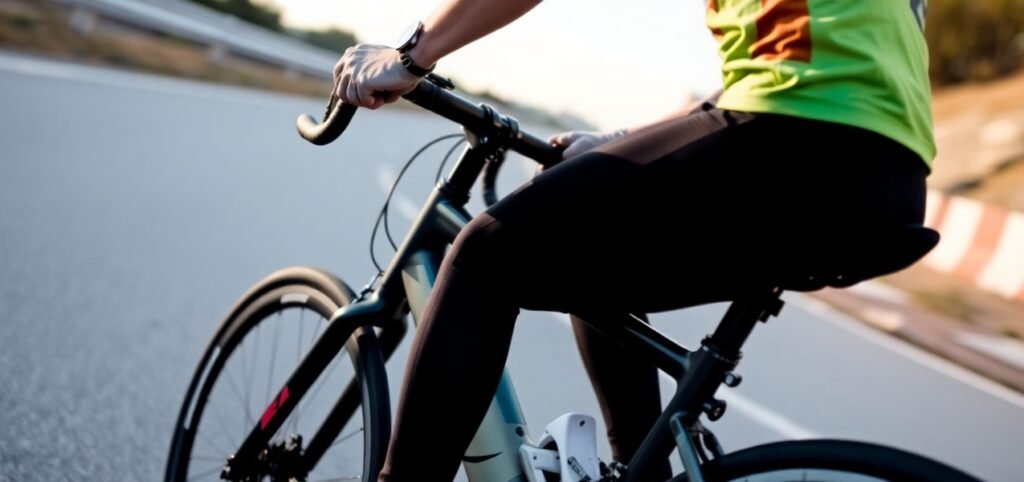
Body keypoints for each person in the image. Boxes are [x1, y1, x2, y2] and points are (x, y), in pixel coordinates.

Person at [331, 0, 935, 480]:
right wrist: (626, 143)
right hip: (890, 176)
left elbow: (792, 84)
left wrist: (413, 56)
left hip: (792, 141)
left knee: (486, 254)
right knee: (590, 245)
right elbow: (801, 59)